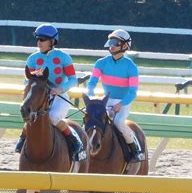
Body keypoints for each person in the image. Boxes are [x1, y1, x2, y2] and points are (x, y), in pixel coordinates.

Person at [15, 23, 82, 155]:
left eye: (42, 39)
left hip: (58, 97)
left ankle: (73, 140)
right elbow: (26, 81)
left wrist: (60, 89)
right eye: (38, 39)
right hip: (39, 96)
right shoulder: (33, 58)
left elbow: (73, 80)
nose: (39, 42)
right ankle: (23, 138)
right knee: (29, 114)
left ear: (52, 41)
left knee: (53, 117)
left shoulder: (64, 57)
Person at [87, 29, 143, 161]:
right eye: (110, 41)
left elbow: (132, 92)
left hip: (123, 101)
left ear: (124, 46)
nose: (111, 45)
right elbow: (92, 83)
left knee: (118, 122)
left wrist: (120, 104)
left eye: (115, 42)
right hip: (105, 101)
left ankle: (134, 149)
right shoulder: (100, 62)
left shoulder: (131, 66)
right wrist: (91, 96)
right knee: (89, 122)